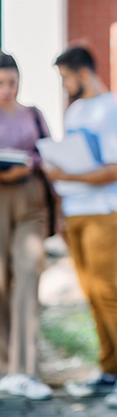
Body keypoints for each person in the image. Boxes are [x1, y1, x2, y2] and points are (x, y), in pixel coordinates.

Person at [42, 46, 117, 408]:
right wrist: (64, 213)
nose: (64, 85)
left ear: (82, 73)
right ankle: (109, 369)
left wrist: (65, 174)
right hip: (78, 212)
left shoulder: (111, 112)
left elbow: (116, 169)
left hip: (106, 211)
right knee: (90, 291)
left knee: (106, 289)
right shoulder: (76, 110)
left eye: (66, 77)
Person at [0, 52, 54, 400]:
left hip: (30, 201)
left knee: (27, 277)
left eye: (11, 83)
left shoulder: (33, 115)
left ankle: (27, 370)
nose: (6, 89)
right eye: (0, 83)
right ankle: (5, 368)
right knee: (1, 281)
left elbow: (48, 156)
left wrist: (28, 163)